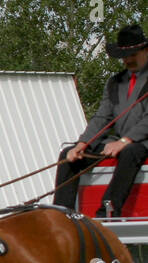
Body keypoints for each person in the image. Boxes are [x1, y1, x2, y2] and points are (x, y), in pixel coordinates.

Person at [54, 22, 148, 216]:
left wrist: (124, 141)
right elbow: (102, 117)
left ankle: (108, 209)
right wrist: (83, 142)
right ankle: (61, 214)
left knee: (130, 151)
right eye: (124, 56)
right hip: (119, 142)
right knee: (67, 154)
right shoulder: (114, 82)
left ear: (145, 51)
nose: (128, 60)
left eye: (133, 55)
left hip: (141, 142)